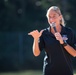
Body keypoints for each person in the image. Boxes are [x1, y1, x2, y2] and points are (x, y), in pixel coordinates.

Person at [28, 6, 76, 75]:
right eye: (49, 17)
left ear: (60, 17)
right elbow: (36, 53)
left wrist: (63, 42)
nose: (51, 19)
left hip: (66, 71)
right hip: (49, 72)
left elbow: (74, 53)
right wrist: (36, 39)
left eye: (54, 16)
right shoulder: (44, 33)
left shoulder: (69, 32)